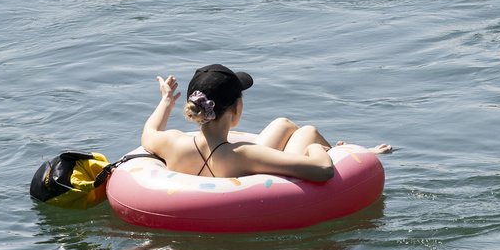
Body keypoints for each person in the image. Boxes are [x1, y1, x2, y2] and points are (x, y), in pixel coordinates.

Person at [141, 64, 390, 182]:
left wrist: (165, 101)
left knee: (282, 124)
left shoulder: (172, 141)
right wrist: (320, 151)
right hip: (242, 178)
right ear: (236, 108)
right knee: (308, 132)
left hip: (208, 166)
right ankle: (346, 151)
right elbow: (323, 170)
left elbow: (149, 133)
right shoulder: (246, 155)